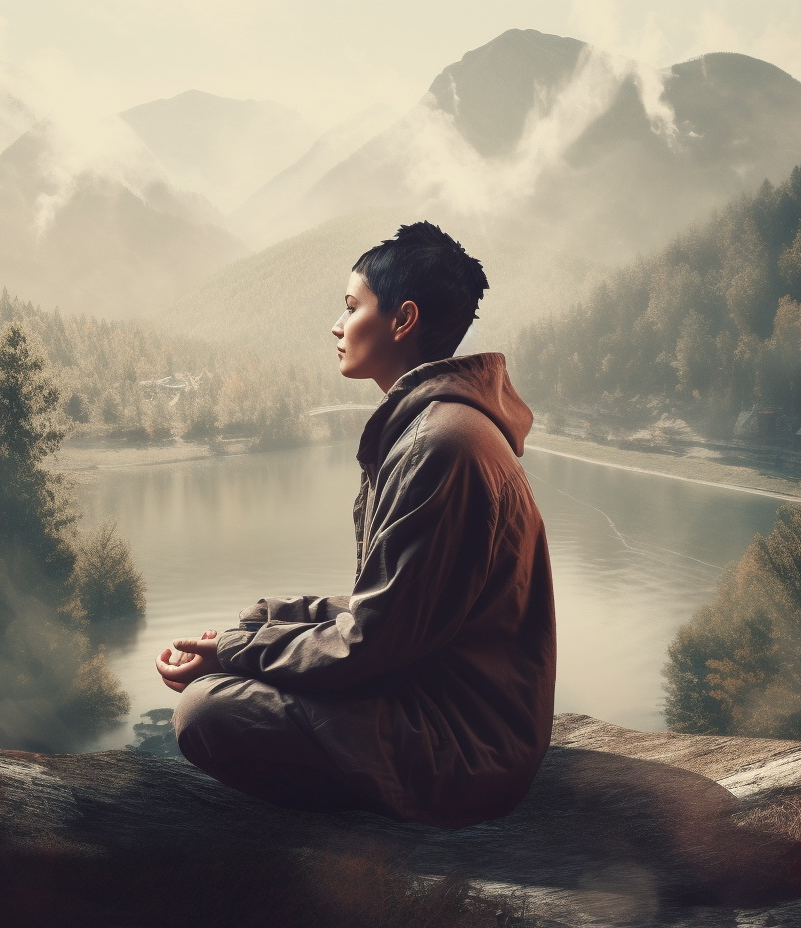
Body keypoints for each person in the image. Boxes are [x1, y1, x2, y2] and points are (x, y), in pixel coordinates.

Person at [156, 222, 556, 828]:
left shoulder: (441, 445)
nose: (337, 326)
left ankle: (371, 830)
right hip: (444, 708)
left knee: (205, 712)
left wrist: (232, 656)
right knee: (254, 626)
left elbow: (372, 642)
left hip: (465, 748)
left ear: (403, 320)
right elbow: (405, 608)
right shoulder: (445, 430)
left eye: (351, 306)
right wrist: (269, 621)